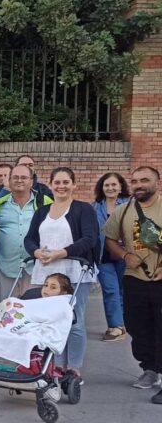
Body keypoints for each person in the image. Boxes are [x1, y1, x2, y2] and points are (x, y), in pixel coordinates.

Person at [24, 166, 98, 380]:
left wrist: (62, 253)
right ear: (51, 184)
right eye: (57, 182)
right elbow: (29, 238)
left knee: (74, 320)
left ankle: (73, 368)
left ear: (74, 185)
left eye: (66, 182)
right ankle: (53, 364)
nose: (61, 186)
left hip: (74, 271)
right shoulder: (41, 212)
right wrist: (35, 251)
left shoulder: (83, 209)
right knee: (48, 320)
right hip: (47, 273)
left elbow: (89, 239)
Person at [104, 166, 162, 402]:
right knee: (138, 327)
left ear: (157, 182)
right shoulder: (123, 210)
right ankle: (149, 369)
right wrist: (125, 256)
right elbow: (110, 239)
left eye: (145, 180)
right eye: (135, 181)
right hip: (134, 278)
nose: (139, 184)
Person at [0, 165, 54, 299]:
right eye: (15, 177)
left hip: (35, 268)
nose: (19, 180)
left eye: (24, 177)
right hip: (5, 268)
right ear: (9, 181)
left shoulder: (45, 202)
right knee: (6, 312)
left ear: (31, 181)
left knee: (32, 312)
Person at [94, 172, 130, 342]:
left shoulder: (131, 205)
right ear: (102, 188)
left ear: (120, 186)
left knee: (125, 290)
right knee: (111, 290)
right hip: (103, 256)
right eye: (107, 185)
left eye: (114, 185)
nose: (110, 188)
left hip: (126, 254)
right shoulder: (95, 207)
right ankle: (115, 326)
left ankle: (123, 324)